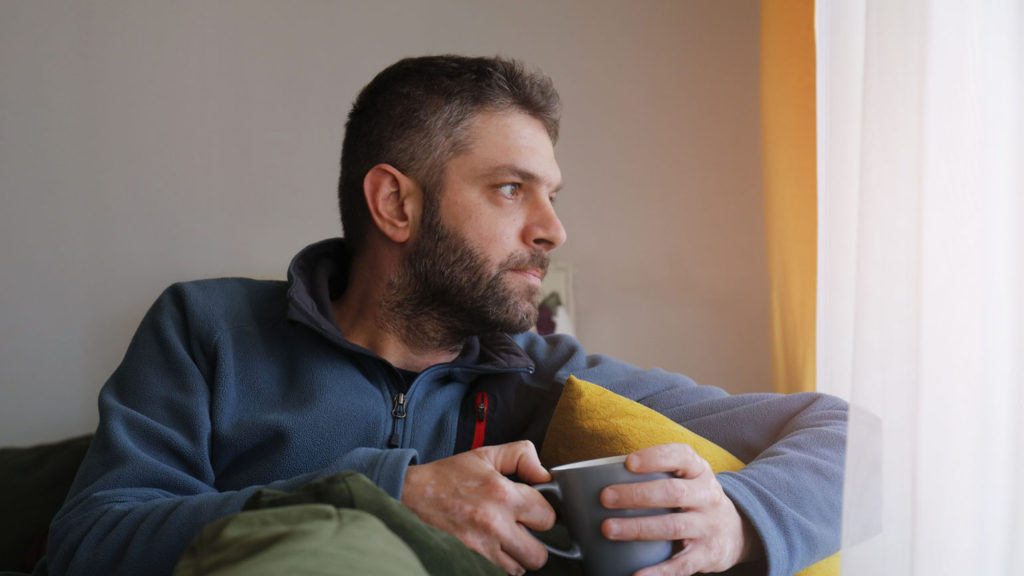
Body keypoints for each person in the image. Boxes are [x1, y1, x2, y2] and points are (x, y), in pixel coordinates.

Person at [41, 55, 846, 576]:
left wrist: (741, 523)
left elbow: (852, 436)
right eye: (509, 189)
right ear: (396, 202)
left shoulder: (543, 369)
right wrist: (391, 490)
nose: (552, 230)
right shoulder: (206, 328)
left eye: (551, 196)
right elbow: (85, 545)